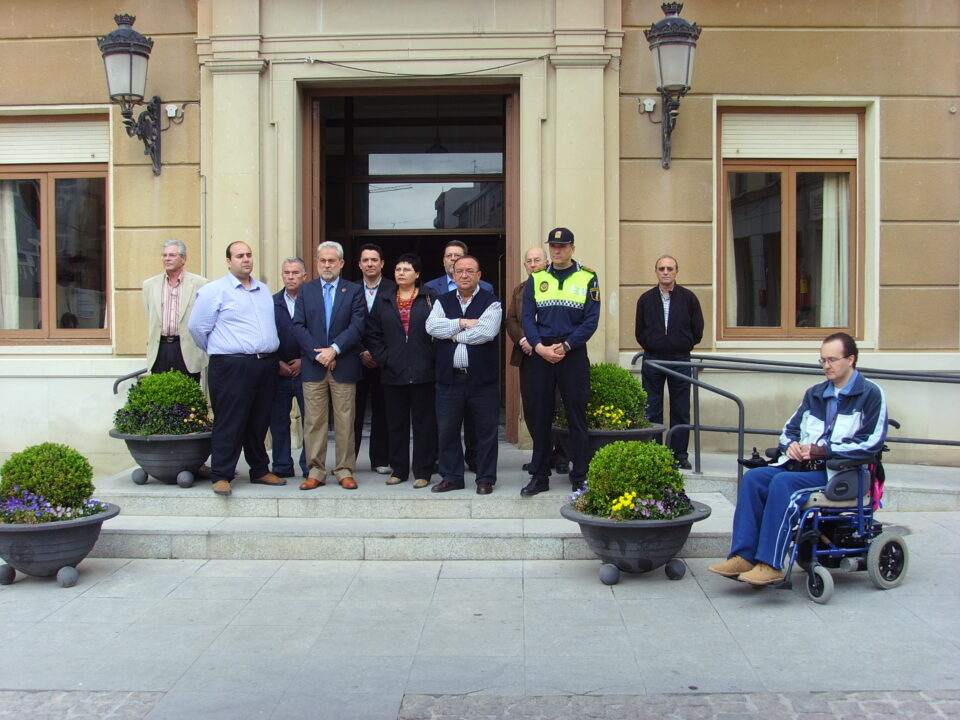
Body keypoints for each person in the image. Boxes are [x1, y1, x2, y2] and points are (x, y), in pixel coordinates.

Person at [708, 332, 888, 586]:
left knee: (783, 484)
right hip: (802, 466)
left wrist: (823, 450)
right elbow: (789, 430)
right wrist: (790, 446)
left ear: (851, 359)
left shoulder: (870, 394)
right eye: (822, 360)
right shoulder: (815, 394)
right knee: (755, 479)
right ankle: (743, 556)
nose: (826, 366)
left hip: (839, 473)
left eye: (832, 360)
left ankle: (770, 564)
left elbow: (872, 442)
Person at [188, 241, 285, 496]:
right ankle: (222, 474)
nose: (246, 260)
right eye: (240, 256)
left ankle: (260, 470)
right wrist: (222, 349)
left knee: (259, 420)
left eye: (249, 255)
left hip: (264, 364)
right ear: (229, 261)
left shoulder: (263, 290)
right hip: (232, 365)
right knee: (230, 420)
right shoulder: (214, 290)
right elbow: (197, 328)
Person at [520, 227, 599, 496]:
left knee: (576, 415)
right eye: (553, 246)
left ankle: (580, 476)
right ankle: (539, 476)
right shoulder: (537, 277)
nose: (557, 250)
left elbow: (591, 320)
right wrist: (540, 347)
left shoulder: (587, 276)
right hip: (542, 356)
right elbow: (527, 318)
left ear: (572, 248)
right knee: (540, 416)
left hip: (572, 354)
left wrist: (566, 346)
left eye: (563, 246)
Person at [292, 241, 366, 491]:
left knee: (345, 420)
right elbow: (298, 326)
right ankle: (316, 470)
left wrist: (334, 349)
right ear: (317, 262)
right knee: (313, 421)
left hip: (343, 365)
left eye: (331, 260)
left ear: (341, 263)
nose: (326, 265)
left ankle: (344, 469)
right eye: (322, 260)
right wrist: (319, 355)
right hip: (314, 366)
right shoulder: (306, 290)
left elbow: (357, 325)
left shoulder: (354, 290)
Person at [425, 255, 502, 494]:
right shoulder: (443, 300)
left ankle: (485, 478)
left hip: (482, 380)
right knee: (447, 430)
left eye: (470, 271)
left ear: (479, 275)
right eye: (459, 271)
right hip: (449, 379)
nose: (464, 275)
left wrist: (453, 333)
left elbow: (486, 333)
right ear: (453, 274)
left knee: (485, 432)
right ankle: (452, 477)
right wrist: (463, 322)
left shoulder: (492, 302)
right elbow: (431, 327)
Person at [365, 253, 438, 488]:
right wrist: (384, 359)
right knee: (395, 423)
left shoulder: (430, 298)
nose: (401, 273)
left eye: (406, 269)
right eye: (398, 269)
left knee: (423, 424)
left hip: (423, 371)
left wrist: (431, 358)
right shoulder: (385, 298)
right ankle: (399, 469)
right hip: (393, 371)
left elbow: (441, 330)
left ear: (417, 274)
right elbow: (373, 333)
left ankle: (423, 470)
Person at [634, 255, 704, 469]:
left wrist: (683, 344)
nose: (665, 272)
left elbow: (698, 329)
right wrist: (652, 344)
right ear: (656, 271)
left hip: (680, 359)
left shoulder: (689, 298)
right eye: (661, 268)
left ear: (676, 271)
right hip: (653, 360)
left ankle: (679, 454)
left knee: (681, 409)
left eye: (670, 268)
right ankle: (655, 454)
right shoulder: (646, 299)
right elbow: (639, 331)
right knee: (652, 408)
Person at [505, 246, 569, 473]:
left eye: (537, 260)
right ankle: (540, 456)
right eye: (528, 261)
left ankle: (560, 455)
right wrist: (523, 339)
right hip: (529, 355)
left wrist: (548, 344)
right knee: (532, 407)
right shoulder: (520, 290)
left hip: (554, 355)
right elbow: (511, 319)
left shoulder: (558, 285)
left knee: (558, 406)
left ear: (546, 262)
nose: (532, 264)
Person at [354, 243, 395, 475]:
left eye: (374, 260)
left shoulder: (393, 288)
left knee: (383, 410)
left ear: (382, 264)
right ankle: (348, 460)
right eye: (365, 260)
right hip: (355, 358)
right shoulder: (348, 289)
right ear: (359, 264)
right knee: (352, 412)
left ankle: (380, 459)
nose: (370, 264)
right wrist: (361, 350)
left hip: (384, 360)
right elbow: (344, 324)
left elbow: (397, 326)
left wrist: (379, 354)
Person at [143, 239, 208, 381]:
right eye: (164, 255)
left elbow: (205, 318)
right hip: (160, 348)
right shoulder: (150, 285)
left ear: (183, 258)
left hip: (187, 349)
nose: (167, 259)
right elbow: (150, 315)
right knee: (160, 398)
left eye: (172, 255)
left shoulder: (200, 284)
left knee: (188, 395)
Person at [269, 257, 309, 479]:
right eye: (287, 273)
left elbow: (320, 334)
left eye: (295, 273)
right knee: (278, 421)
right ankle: (282, 466)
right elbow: (264, 335)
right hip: (279, 371)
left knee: (310, 421)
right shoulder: (271, 302)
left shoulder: (313, 301)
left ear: (304, 276)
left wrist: (305, 359)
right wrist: (277, 362)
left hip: (308, 369)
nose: (290, 277)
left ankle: (309, 466)